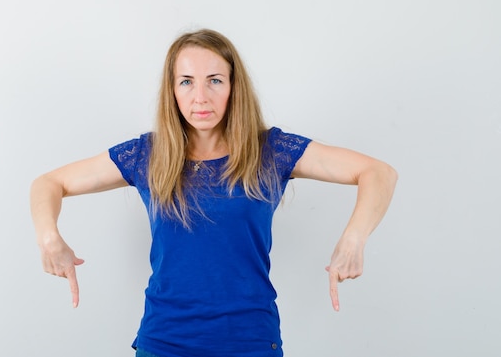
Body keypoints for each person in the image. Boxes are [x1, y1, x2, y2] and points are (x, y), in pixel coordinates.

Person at [30, 29, 397, 357]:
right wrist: (50, 238)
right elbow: (48, 183)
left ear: (234, 87)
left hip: (250, 341)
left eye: (215, 80)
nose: (200, 96)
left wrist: (353, 239)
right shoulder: (147, 155)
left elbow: (378, 172)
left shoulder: (270, 150)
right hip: (164, 342)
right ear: (172, 90)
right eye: (186, 81)